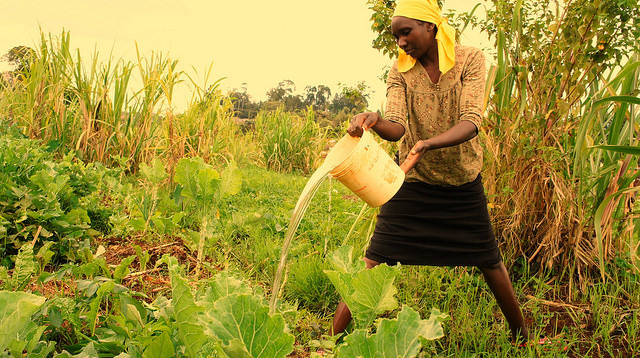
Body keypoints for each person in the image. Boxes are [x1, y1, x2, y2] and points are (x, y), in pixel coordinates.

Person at [331, 0, 532, 343]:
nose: (401, 43)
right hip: (411, 181)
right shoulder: (400, 70)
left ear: (430, 27)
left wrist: (428, 144)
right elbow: (396, 126)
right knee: (375, 255)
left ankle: (522, 336)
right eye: (396, 36)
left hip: (461, 179)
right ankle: (332, 340)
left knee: (488, 259)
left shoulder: (470, 59)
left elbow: (471, 121)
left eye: (406, 32)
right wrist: (375, 121)